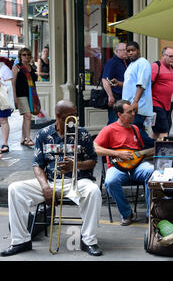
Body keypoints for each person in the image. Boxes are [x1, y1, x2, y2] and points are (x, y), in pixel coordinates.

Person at [0, 100, 103, 257]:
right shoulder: (43, 134)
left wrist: (75, 165)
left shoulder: (82, 133)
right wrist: (45, 187)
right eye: (71, 116)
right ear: (59, 116)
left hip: (77, 181)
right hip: (49, 181)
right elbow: (37, 164)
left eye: (76, 115)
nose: (75, 119)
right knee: (15, 189)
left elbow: (93, 161)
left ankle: (89, 240)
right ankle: (20, 240)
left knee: (93, 191)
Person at [94, 99, 154, 226]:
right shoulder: (109, 130)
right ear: (119, 114)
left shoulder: (135, 129)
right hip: (117, 167)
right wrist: (116, 153)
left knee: (151, 171)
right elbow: (95, 148)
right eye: (129, 112)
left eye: (133, 111)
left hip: (137, 166)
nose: (133, 114)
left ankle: (151, 214)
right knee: (110, 181)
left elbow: (141, 152)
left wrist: (159, 148)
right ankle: (127, 213)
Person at [122, 41, 154, 148]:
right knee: (134, 131)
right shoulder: (132, 64)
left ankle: (157, 147)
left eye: (133, 50)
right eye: (128, 51)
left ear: (138, 51)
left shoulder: (143, 63)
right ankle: (147, 151)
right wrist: (118, 83)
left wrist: (135, 102)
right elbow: (131, 83)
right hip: (129, 105)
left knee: (134, 130)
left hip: (138, 105)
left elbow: (142, 84)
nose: (130, 53)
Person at [151, 47, 173, 139]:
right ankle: (163, 152)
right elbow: (148, 85)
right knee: (164, 131)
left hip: (167, 106)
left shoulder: (171, 68)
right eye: (170, 56)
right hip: (156, 104)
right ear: (163, 56)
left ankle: (151, 150)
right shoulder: (156, 66)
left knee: (156, 132)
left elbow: (172, 86)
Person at [12, 48, 39, 147]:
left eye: (28, 54)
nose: (26, 56)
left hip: (31, 95)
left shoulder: (32, 67)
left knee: (26, 117)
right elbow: (13, 83)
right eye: (24, 55)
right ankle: (28, 139)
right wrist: (14, 97)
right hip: (21, 94)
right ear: (20, 56)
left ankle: (23, 138)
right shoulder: (17, 67)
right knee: (28, 116)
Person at [102, 42, 129, 124]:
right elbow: (105, 80)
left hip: (126, 97)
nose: (125, 52)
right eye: (123, 50)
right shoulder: (112, 62)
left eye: (126, 50)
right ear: (116, 51)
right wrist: (110, 96)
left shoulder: (127, 62)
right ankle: (107, 136)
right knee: (114, 121)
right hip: (116, 97)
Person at [0, 58, 14, 154]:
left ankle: (5, 143)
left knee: (3, 120)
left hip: (1, 98)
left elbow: (9, 85)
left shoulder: (3, 68)